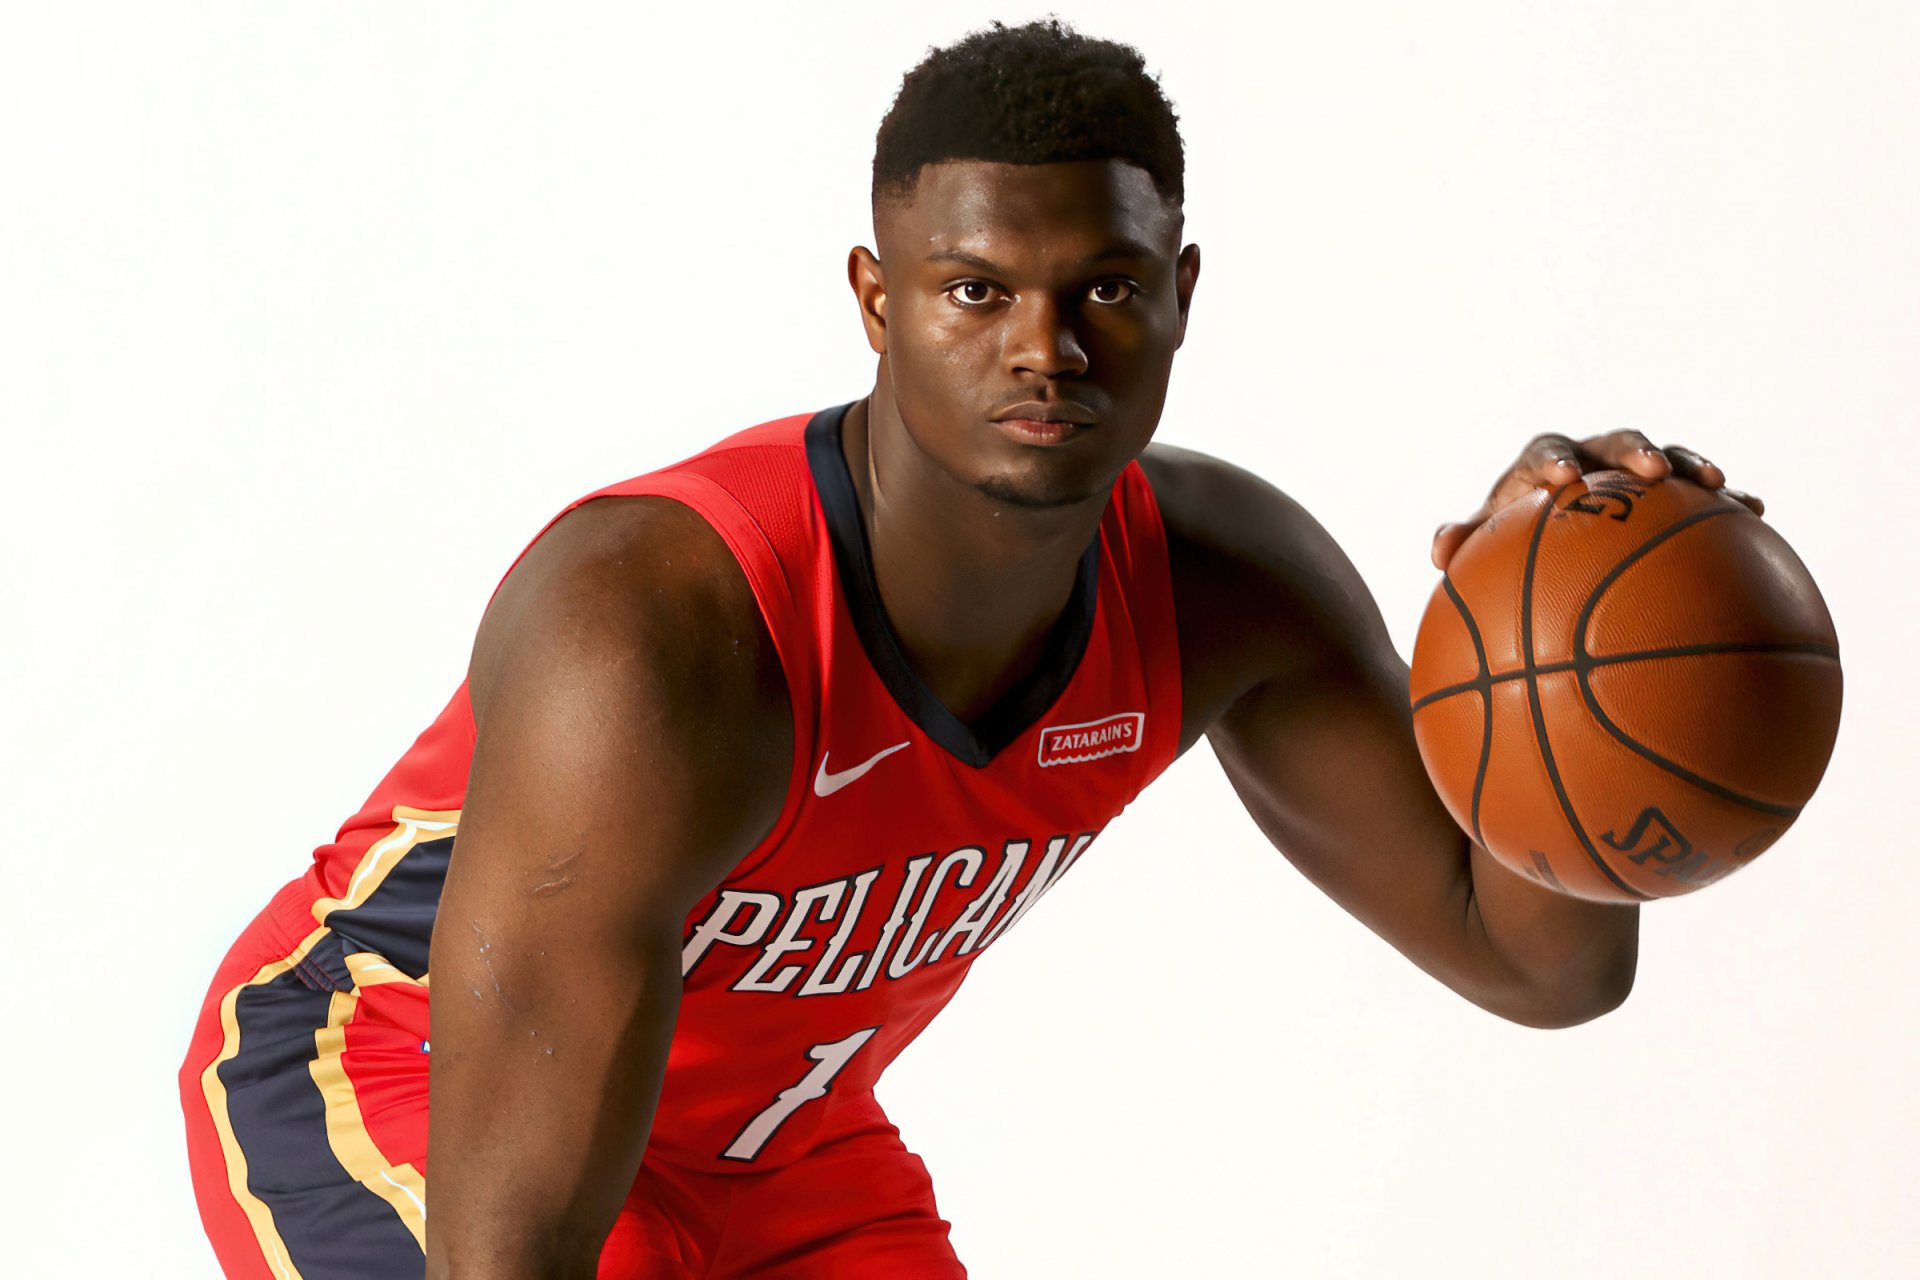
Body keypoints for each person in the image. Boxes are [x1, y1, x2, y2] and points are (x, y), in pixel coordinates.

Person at [179, 18, 1759, 1279]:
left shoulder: (1222, 588)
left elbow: (1540, 964)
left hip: (774, 1150)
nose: (1046, 349)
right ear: (877, 300)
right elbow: (508, 1252)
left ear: (1184, 297)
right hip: (399, 1083)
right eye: (976, 289)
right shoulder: (655, 632)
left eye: (1109, 291)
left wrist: (1547, 645)